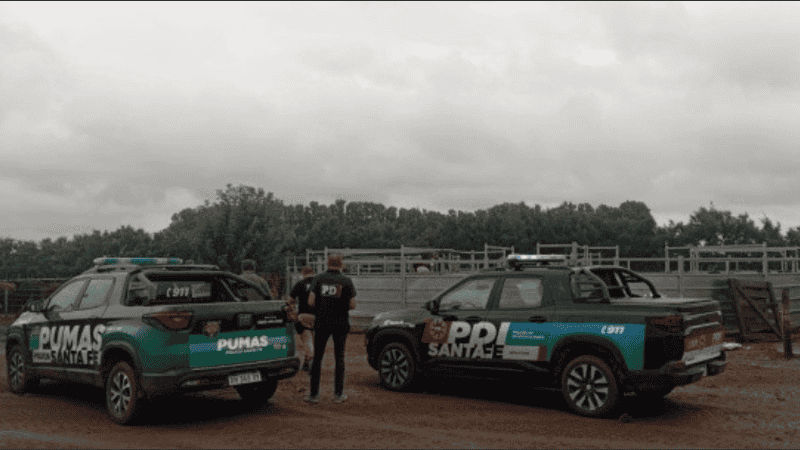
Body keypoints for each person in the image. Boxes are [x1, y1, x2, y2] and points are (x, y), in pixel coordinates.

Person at [304, 254, 356, 404]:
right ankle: (338, 395)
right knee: (339, 358)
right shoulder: (346, 281)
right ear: (341, 265)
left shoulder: (318, 279)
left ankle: (314, 395)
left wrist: (323, 305)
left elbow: (311, 301)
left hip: (322, 323)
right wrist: (340, 305)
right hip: (340, 323)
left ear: (327, 263)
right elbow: (352, 304)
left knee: (317, 358)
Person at [289, 266, 316, 371]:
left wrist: (293, 311)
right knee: (313, 340)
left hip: (304, 316)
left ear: (303, 273)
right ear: (313, 272)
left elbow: (290, 300)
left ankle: (311, 360)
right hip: (318, 316)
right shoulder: (319, 283)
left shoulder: (300, 284)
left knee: (307, 339)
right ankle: (306, 362)